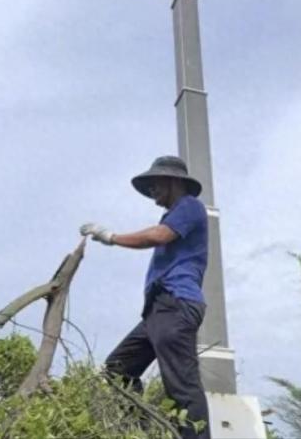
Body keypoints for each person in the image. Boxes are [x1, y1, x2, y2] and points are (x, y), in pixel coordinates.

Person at [80, 155, 211, 439]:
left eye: (155, 184)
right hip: (157, 310)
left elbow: (158, 236)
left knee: (182, 385)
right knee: (118, 369)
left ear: (173, 181)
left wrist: (111, 236)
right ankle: (144, 432)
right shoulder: (177, 213)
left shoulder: (190, 206)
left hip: (175, 304)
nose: (152, 191)